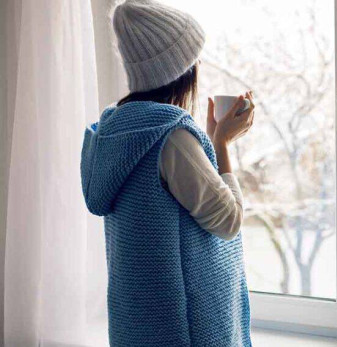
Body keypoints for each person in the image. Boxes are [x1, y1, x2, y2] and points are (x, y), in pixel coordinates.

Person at [80, 0, 253, 345]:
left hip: (138, 322)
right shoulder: (171, 137)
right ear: (178, 69)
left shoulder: (110, 131)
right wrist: (221, 144)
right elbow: (227, 221)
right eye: (193, 60)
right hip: (183, 328)